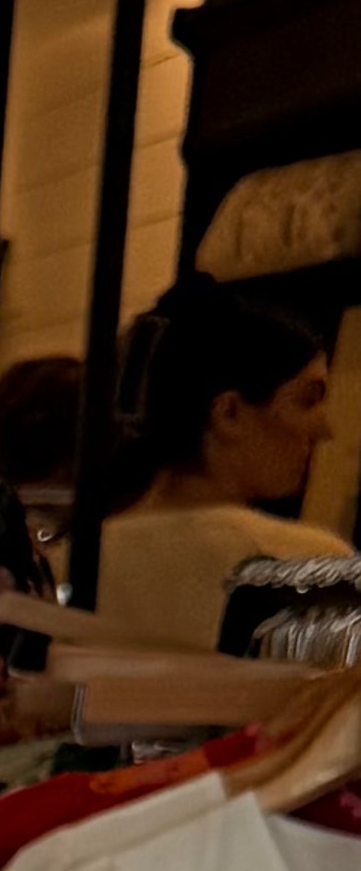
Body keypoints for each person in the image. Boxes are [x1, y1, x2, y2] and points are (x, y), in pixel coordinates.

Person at [92, 273, 350, 648]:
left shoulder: (67, 563)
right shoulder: (311, 568)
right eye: (307, 400)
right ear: (229, 412)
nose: (324, 428)